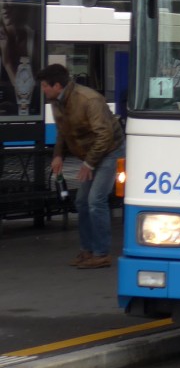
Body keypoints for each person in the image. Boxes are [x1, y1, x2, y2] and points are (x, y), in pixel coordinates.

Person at [36, 63, 125, 269]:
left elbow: (105, 136)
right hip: (92, 153)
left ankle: (101, 253)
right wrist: (58, 155)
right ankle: (87, 250)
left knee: (95, 200)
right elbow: (63, 131)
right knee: (82, 201)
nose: (43, 90)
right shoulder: (56, 101)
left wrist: (88, 163)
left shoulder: (89, 99)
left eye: (45, 86)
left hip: (111, 151)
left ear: (57, 86)